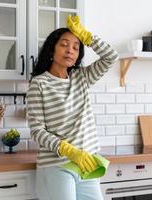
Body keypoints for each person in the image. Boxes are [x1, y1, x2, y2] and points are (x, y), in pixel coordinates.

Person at [27, 15, 119, 200]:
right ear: (52, 49)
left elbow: (112, 57)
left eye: (76, 47)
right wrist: (68, 150)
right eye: (64, 44)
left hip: (86, 163)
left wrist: (87, 37)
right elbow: (37, 130)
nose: (70, 50)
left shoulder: (81, 78)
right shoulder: (40, 83)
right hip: (57, 165)